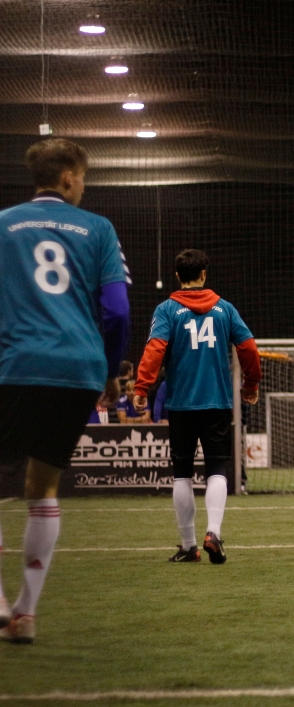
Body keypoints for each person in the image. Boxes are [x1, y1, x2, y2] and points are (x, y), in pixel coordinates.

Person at [0, 138, 131, 644]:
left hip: (14, 366)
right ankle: (26, 614)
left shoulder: (4, 224)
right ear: (70, 177)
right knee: (43, 487)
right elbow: (116, 311)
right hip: (77, 370)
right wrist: (110, 370)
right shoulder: (98, 228)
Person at [134, 249, 261, 564]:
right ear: (204, 274)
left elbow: (154, 349)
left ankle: (189, 546)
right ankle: (213, 533)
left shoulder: (167, 310)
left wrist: (142, 386)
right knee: (217, 468)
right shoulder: (225, 309)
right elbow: (248, 348)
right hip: (217, 402)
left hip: (180, 403)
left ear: (178, 276)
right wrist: (251, 384)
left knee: (182, 474)